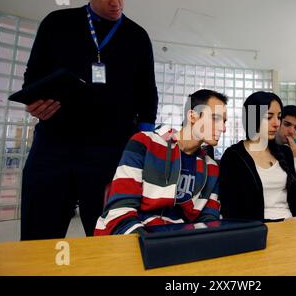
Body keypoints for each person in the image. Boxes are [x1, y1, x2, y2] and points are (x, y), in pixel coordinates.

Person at [21, 0, 158, 240]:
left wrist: (143, 144)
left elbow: (147, 94)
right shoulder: (56, 24)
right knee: (39, 233)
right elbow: (33, 77)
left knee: (111, 236)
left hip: (112, 151)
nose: (116, 2)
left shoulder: (137, 37)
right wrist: (35, 102)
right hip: (54, 146)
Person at [94, 89, 228, 235]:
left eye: (224, 121)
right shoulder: (144, 143)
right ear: (192, 116)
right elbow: (121, 210)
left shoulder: (212, 168)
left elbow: (209, 218)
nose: (223, 128)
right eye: (215, 118)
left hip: (181, 240)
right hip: (134, 237)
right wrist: (152, 244)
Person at [219, 92, 296, 221]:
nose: (276, 124)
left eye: (279, 117)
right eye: (269, 117)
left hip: (292, 226)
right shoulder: (234, 157)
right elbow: (231, 210)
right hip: (257, 230)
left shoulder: (285, 153)